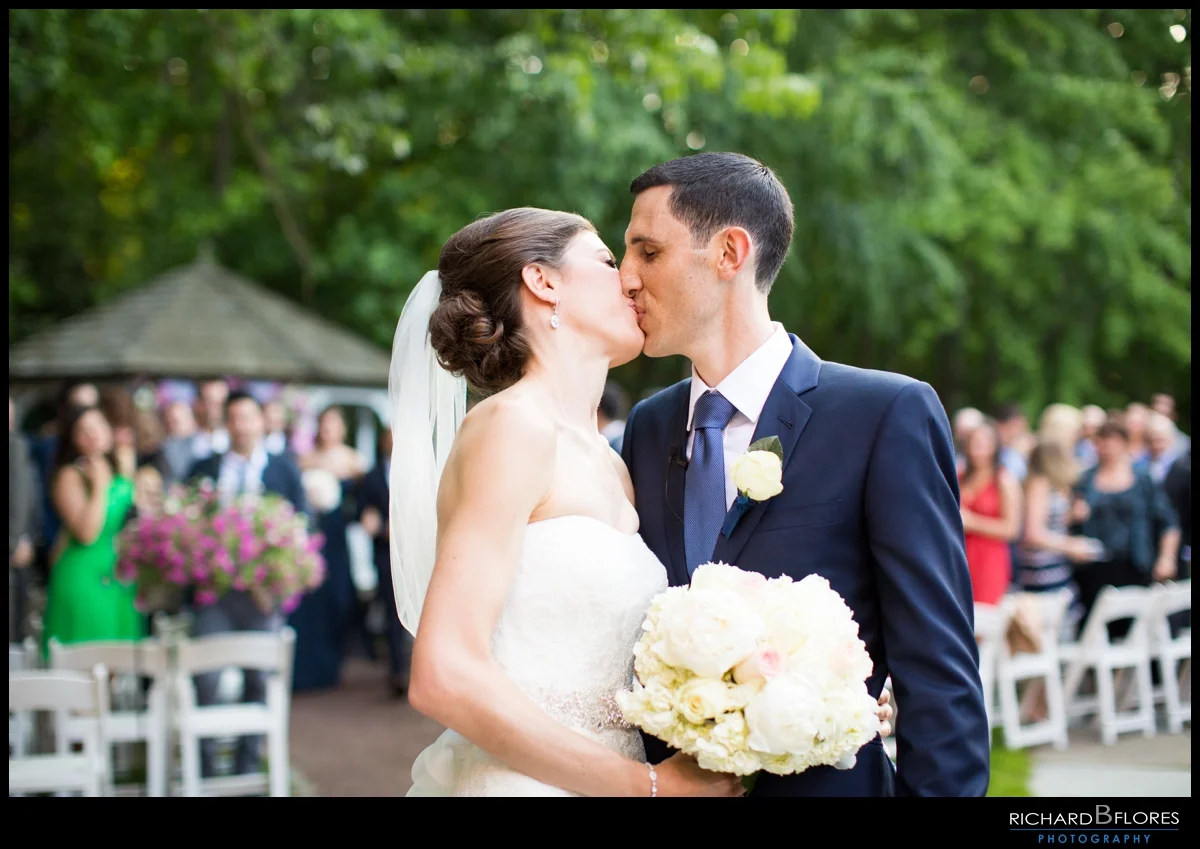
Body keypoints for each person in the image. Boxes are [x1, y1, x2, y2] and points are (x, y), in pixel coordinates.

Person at [389, 206, 897, 797]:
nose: (631, 278)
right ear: (543, 281)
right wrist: (644, 784)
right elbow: (444, 673)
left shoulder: (615, 461)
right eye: (608, 260)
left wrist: (806, 692)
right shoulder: (512, 428)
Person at [619, 152, 986, 796]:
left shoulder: (884, 414)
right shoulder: (648, 429)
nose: (626, 278)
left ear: (730, 253)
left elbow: (938, 669)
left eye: (648, 252)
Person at [186, 390, 307, 777]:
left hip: (262, 596)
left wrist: (277, 574)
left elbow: (303, 524)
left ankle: (248, 768)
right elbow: (185, 523)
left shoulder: (284, 469)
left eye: (248, 417)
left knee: (259, 679)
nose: (241, 426)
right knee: (206, 680)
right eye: (234, 418)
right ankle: (205, 770)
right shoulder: (203, 468)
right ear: (225, 423)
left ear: (261, 422)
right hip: (214, 594)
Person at [40, 405, 144, 657]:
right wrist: (99, 486)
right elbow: (87, 533)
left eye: (98, 426)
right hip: (84, 576)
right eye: (83, 431)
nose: (93, 434)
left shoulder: (120, 469)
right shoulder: (70, 475)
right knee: (87, 658)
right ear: (73, 439)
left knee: (118, 661)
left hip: (118, 576)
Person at [1070, 419, 1180, 641]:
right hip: (1095, 566)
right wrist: (1074, 515)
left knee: (1137, 631)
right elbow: (1070, 523)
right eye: (1101, 441)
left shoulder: (1142, 478)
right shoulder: (1086, 479)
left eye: (1111, 441)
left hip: (1135, 563)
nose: (1106, 447)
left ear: (1123, 443)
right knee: (1096, 630)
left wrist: (1166, 557)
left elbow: (1167, 521)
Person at [358, 426, 411, 695]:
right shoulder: (372, 476)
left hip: (412, 550)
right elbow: (363, 511)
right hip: (384, 553)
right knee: (392, 611)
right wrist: (378, 527)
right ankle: (397, 670)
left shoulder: (416, 472)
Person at [958, 419, 1021, 605]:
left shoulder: (1004, 480)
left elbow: (1011, 529)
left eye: (982, 443)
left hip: (987, 560)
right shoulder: (959, 476)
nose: (976, 448)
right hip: (959, 556)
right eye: (973, 442)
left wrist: (972, 522)